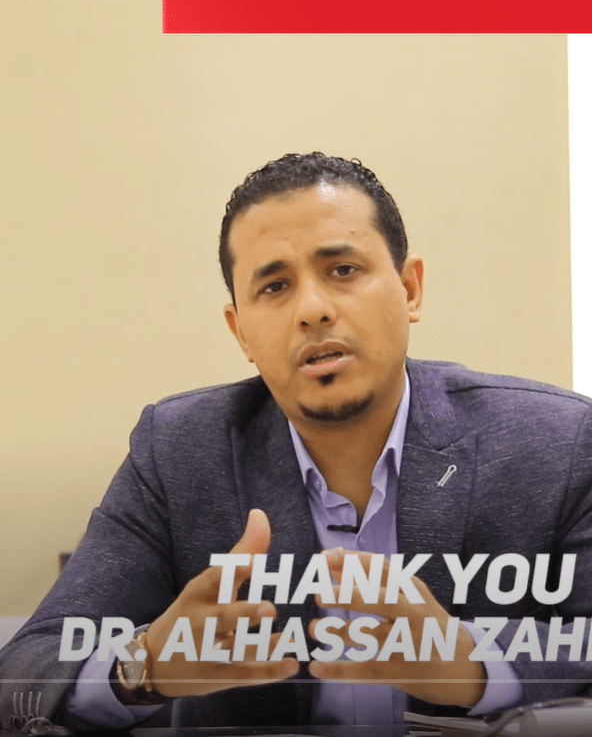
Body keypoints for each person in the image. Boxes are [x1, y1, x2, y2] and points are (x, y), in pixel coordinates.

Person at [1, 152, 592, 734]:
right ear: (240, 331)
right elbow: (23, 673)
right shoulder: (178, 452)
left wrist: (474, 667)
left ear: (410, 289)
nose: (312, 310)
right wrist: (144, 667)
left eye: (343, 270)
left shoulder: (558, 442)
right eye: (275, 286)